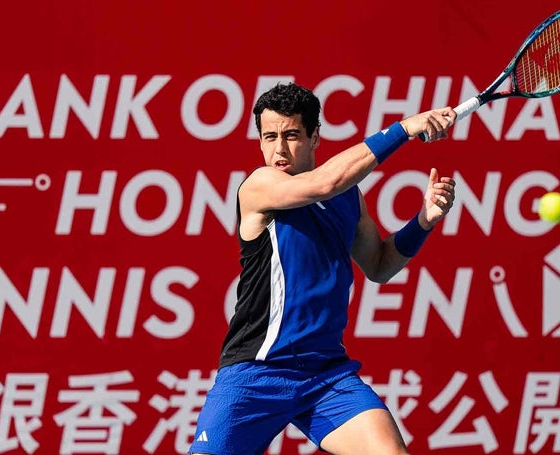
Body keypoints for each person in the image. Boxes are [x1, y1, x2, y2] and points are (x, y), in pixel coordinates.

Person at [189, 82, 456, 455]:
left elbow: (379, 265)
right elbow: (325, 182)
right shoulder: (259, 186)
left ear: (315, 137)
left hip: (326, 375)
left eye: (292, 135)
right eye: (269, 137)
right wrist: (405, 128)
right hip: (256, 371)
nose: (279, 149)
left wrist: (423, 222)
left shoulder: (348, 198)